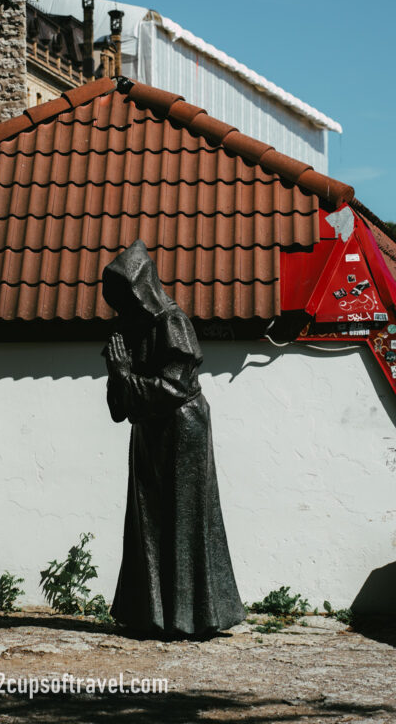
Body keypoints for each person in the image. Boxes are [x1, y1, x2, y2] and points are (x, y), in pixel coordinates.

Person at [103, 239, 245, 638]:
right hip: (149, 432)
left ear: (140, 289)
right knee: (148, 524)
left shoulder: (172, 321)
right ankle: (152, 613)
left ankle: (192, 616)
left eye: (125, 298)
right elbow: (118, 408)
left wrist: (128, 376)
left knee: (184, 521)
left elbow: (174, 386)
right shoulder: (127, 330)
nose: (120, 309)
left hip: (182, 429)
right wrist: (118, 373)